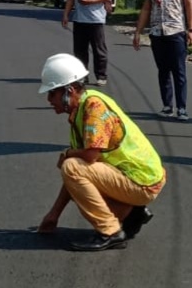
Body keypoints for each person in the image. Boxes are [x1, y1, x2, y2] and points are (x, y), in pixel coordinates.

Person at [36, 53, 165, 251]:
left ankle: (110, 232)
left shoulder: (93, 108)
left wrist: (68, 154)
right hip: (137, 177)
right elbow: (76, 176)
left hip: (142, 181)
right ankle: (132, 213)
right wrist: (54, 215)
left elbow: (88, 158)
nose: (48, 100)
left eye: (52, 93)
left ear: (69, 91)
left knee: (71, 166)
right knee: (73, 170)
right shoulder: (81, 108)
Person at [133, 0, 192, 120]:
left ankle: (181, 107)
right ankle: (167, 106)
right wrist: (138, 32)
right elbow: (146, 8)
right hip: (156, 32)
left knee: (179, 71)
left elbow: (189, 4)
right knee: (163, 70)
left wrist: (191, 29)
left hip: (176, 30)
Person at [62, 0, 111, 86]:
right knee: (80, 51)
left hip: (96, 20)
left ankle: (101, 76)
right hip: (79, 19)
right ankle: (82, 75)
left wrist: (91, 1)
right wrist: (66, 14)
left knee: (99, 50)